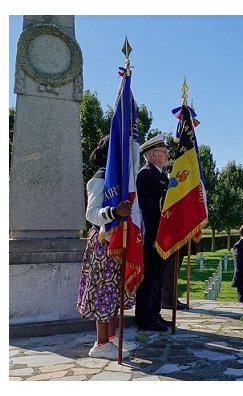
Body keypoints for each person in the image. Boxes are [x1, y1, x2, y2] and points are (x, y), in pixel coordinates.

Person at [77, 136, 135, 359]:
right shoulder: (99, 179)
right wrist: (114, 212)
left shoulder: (119, 180)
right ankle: (100, 344)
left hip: (117, 242)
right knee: (104, 292)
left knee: (114, 291)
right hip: (103, 244)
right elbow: (91, 214)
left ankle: (110, 338)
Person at [135, 135, 172, 331]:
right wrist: (168, 196)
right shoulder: (146, 174)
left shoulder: (161, 175)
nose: (167, 155)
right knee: (149, 278)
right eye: (164, 152)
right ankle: (144, 317)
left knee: (158, 276)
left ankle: (155, 313)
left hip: (163, 235)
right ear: (153, 154)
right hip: (151, 235)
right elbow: (148, 204)